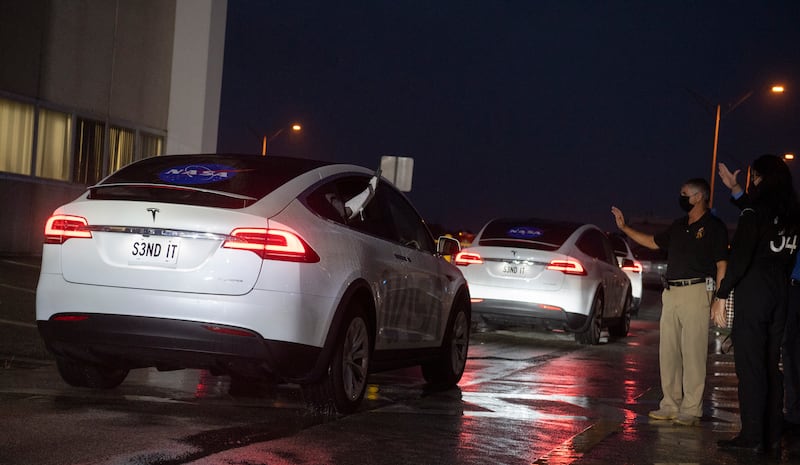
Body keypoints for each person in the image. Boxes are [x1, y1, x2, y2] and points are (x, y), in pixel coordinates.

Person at [611, 178, 728, 427]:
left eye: (684, 193)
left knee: (693, 352)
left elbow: (721, 264)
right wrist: (625, 227)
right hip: (672, 293)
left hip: (697, 291)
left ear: (699, 197)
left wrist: (720, 297)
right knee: (669, 352)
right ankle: (670, 404)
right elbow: (653, 241)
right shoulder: (678, 226)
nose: (681, 197)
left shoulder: (714, 227)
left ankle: (691, 408)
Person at [712, 156, 800, 453]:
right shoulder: (792, 212)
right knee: (771, 366)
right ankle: (772, 435)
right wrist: (737, 189)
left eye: (753, 177)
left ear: (760, 178)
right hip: (781, 292)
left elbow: (740, 255)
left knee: (750, 367)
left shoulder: (754, 210)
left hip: (756, 292)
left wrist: (722, 294)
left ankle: (752, 438)